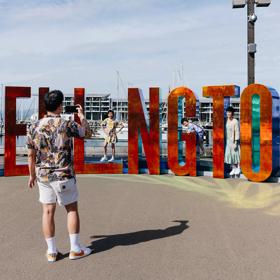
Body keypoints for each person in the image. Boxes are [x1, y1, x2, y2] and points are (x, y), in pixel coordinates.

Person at [26, 90, 92, 262]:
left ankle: (51, 251)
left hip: (44, 176)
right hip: (64, 174)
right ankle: (75, 249)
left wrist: (31, 174)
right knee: (71, 209)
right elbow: (87, 133)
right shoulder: (66, 124)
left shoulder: (34, 127)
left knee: (47, 212)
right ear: (60, 105)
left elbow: (31, 155)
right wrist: (81, 116)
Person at [224, 106, 241, 177]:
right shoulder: (226, 120)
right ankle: (233, 168)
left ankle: (239, 167)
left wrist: (236, 142)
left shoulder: (235, 121)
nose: (228, 113)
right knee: (229, 154)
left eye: (230, 112)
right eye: (227, 112)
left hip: (234, 140)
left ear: (232, 113)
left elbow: (237, 131)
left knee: (236, 154)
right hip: (228, 141)